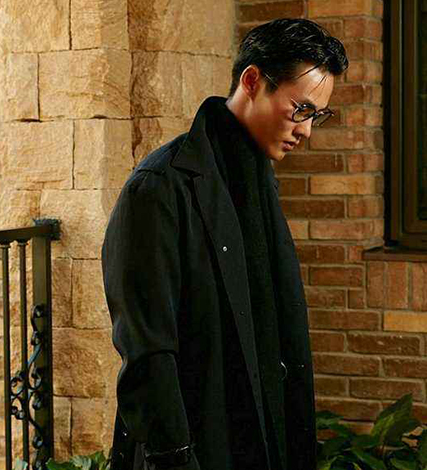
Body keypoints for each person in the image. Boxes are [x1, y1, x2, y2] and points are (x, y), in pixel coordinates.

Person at [101, 19, 348, 470]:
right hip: (194, 450)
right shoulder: (158, 187)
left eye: (317, 115)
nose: (307, 131)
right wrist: (177, 460)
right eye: (301, 109)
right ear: (252, 81)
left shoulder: (257, 181)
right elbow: (147, 353)